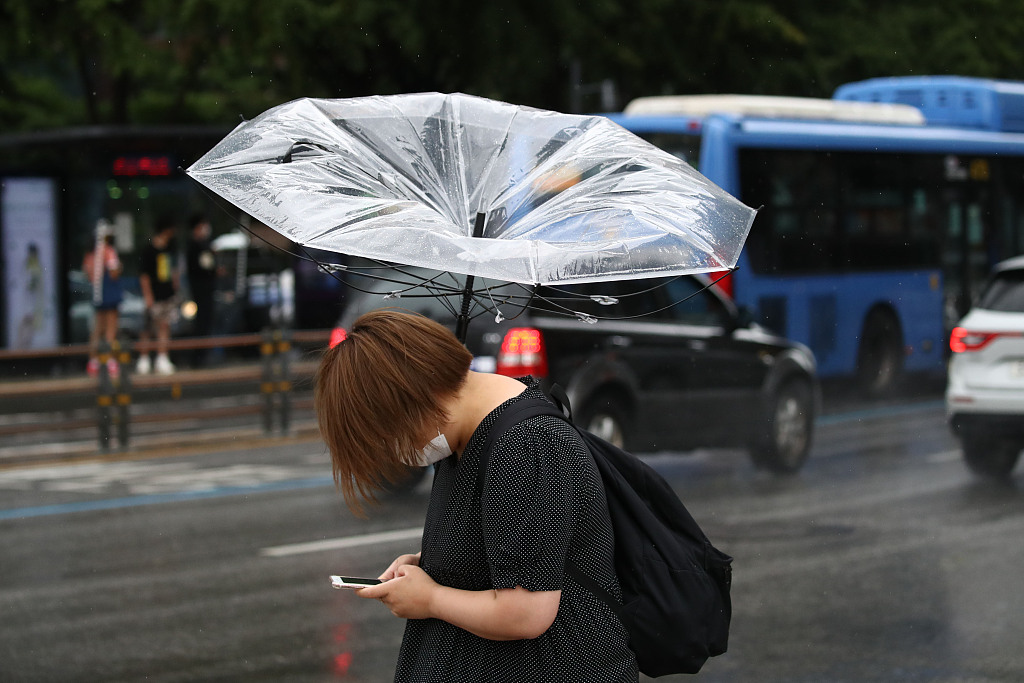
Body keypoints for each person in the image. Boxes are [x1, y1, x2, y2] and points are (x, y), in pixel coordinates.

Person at [314, 310, 637, 682]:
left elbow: (526, 611)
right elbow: (501, 545)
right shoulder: (464, 434)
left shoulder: (526, 444)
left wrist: (430, 599)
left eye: (390, 433)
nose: (393, 450)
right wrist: (426, 564)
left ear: (419, 393)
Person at [136, 216, 180, 375]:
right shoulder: (149, 249)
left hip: (167, 293)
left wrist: (176, 285)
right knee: (148, 327)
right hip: (154, 294)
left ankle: (162, 357)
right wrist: (148, 295)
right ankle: (144, 358)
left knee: (165, 325)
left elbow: (174, 270)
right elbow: (144, 275)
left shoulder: (170, 247)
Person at [82, 220, 123, 377]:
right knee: (110, 328)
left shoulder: (90, 254)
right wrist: (119, 267)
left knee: (98, 328)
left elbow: (87, 273)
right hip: (109, 292)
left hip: (97, 293)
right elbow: (114, 272)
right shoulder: (108, 251)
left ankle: (93, 361)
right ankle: (110, 360)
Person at [185, 213, 217, 367]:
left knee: (206, 322)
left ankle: (203, 355)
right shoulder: (193, 246)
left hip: (207, 290)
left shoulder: (205, 244)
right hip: (199, 290)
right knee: (200, 323)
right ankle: (197, 358)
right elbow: (202, 268)